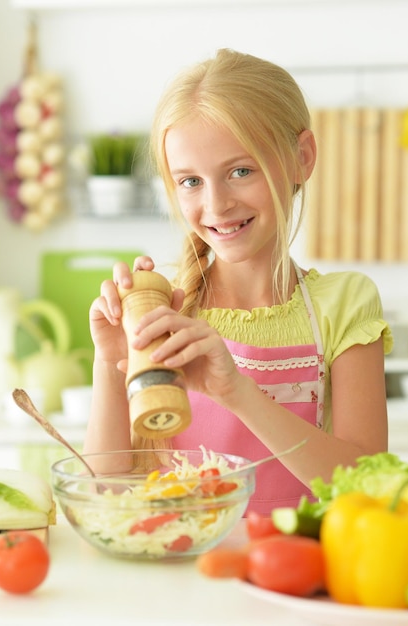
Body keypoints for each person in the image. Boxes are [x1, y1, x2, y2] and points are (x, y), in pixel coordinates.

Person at [84, 48, 393, 514]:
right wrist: (110, 366)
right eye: (190, 181)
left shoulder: (344, 303)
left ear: (301, 158)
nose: (217, 204)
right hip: (184, 574)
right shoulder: (162, 310)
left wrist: (237, 393)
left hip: (293, 577)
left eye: (240, 171)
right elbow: (105, 496)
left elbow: (368, 489)